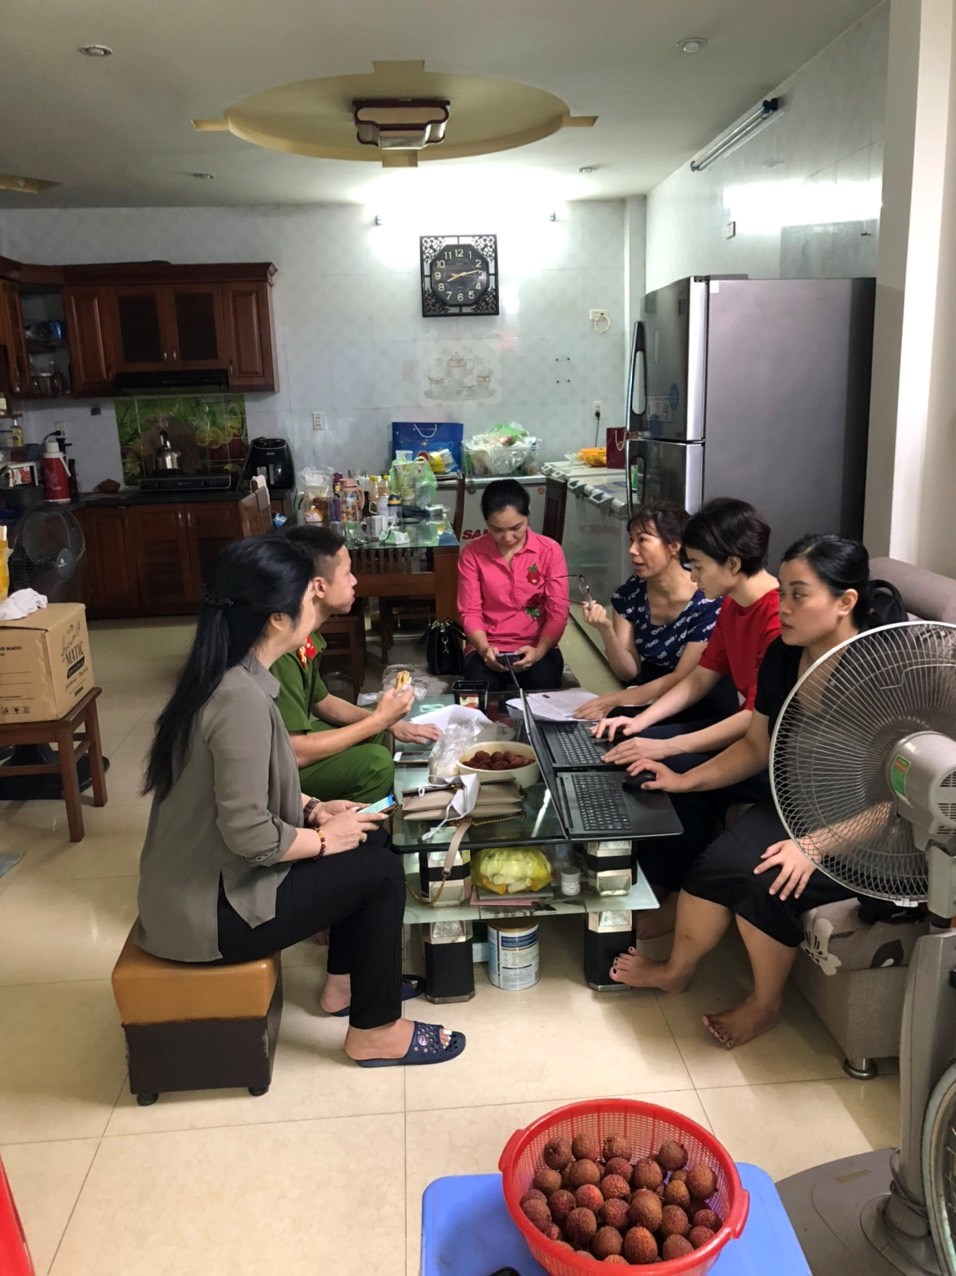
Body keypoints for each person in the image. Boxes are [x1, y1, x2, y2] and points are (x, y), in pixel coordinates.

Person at [136, 535, 465, 1067]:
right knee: (380, 875)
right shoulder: (238, 698)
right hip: (208, 916)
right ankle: (376, 1032)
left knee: (373, 845)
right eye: (308, 598)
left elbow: (252, 785)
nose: (315, 603)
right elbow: (250, 835)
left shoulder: (232, 676)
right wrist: (322, 840)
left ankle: (346, 986)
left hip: (199, 891)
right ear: (275, 618)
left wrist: (314, 809)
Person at [609, 535, 905, 1050]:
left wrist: (814, 847)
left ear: (845, 602)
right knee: (716, 864)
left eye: (798, 595)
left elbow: (902, 798)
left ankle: (765, 1005)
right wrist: (682, 779)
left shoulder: (885, 673)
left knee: (765, 880)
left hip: (871, 827)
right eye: (782, 593)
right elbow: (756, 745)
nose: (782, 607)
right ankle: (677, 971)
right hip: (797, 801)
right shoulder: (784, 658)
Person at [594, 497, 782, 912]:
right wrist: (641, 722)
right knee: (630, 745)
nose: (692, 576)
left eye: (696, 565)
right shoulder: (733, 604)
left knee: (659, 766)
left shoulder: (776, 619)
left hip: (770, 751)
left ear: (732, 564)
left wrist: (665, 745)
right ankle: (647, 881)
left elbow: (754, 718)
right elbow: (699, 676)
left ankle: (666, 889)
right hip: (747, 732)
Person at [273, 524, 440, 806]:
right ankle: (333, 824)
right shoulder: (284, 649)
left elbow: (322, 701)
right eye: (347, 573)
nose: (354, 581)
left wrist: (390, 723)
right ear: (319, 586)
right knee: (376, 763)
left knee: (375, 729)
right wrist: (379, 720)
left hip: (285, 749)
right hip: (272, 770)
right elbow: (296, 752)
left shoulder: (305, 634)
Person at [572, 500, 732, 724]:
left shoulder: (707, 601)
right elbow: (628, 672)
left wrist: (612, 700)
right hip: (650, 692)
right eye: (631, 540)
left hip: (696, 699)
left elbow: (682, 678)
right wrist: (606, 630)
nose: (631, 550)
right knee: (610, 723)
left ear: (674, 546)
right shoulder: (630, 594)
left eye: (643, 540)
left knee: (618, 723)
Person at [458, 478, 571, 692]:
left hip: (537, 644)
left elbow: (558, 612)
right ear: (486, 522)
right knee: (483, 689)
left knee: (542, 685)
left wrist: (539, 651)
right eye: (497, 529)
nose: (508, 537)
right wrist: (484, 648)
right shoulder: (472, 554)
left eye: (516, 527)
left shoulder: (549, 551)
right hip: (488, 646)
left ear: (528, 515)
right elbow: (470, 611)